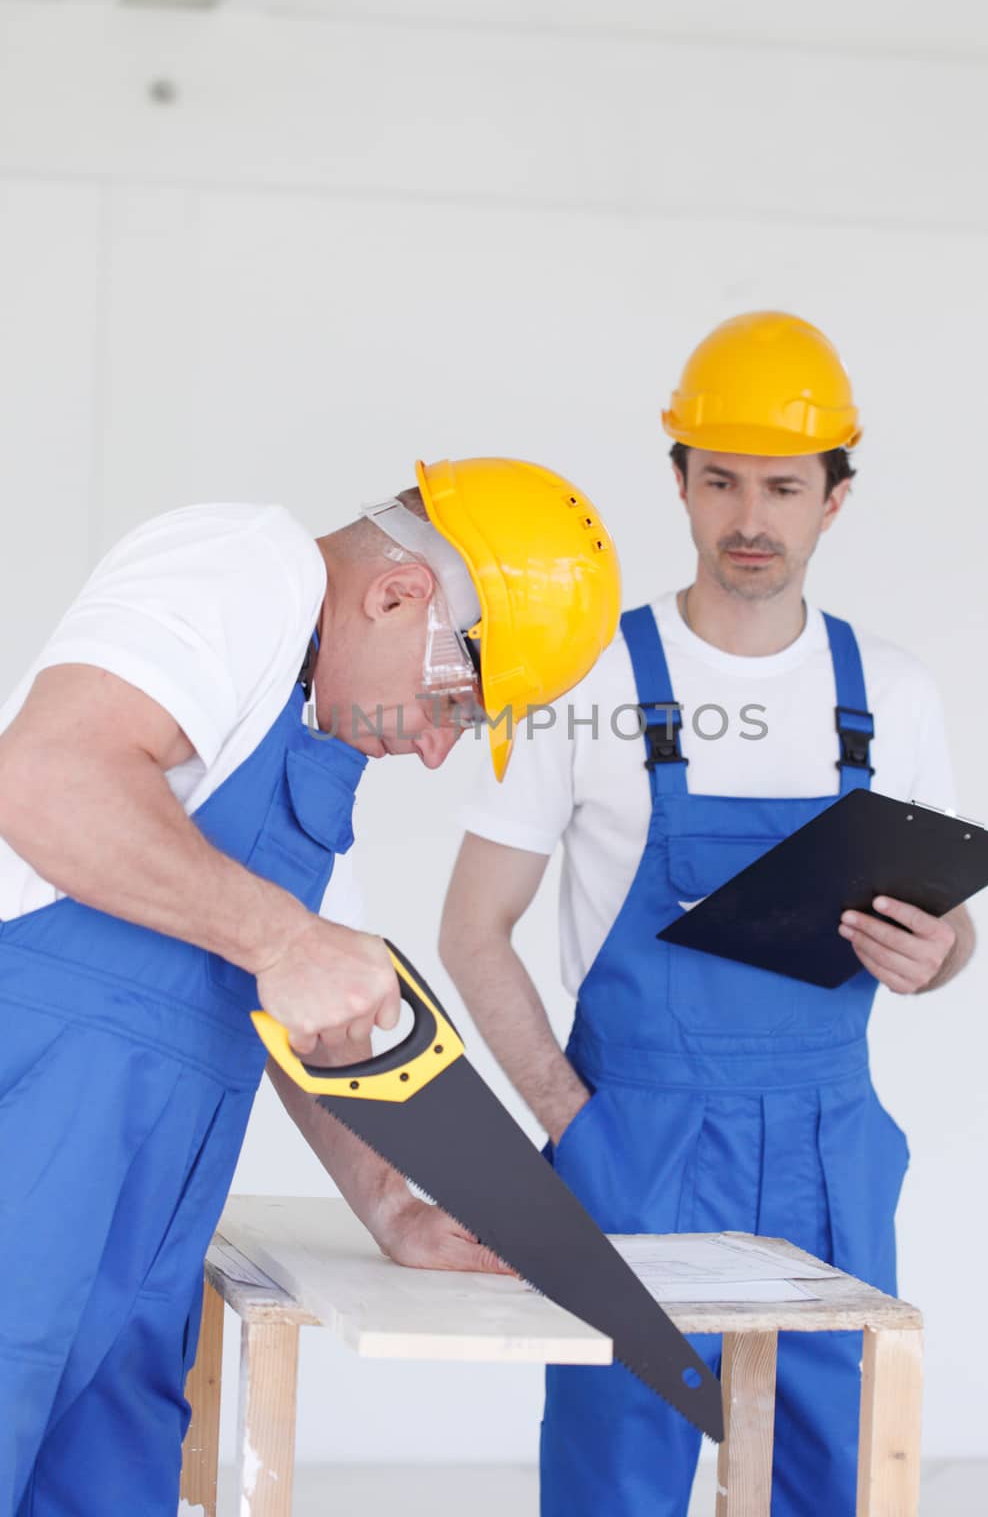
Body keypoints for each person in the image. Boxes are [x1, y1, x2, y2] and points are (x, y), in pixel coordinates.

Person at [0, 456, 621, 1516]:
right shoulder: (239, 567)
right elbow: (45, 775)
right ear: (397, 594)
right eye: (452, 705)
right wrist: (283, 938)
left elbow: (322, 1021)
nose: (433, 750)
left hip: (140, 1240)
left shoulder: (309, 771)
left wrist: (393, 1205)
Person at [440, 313, 977, 1517]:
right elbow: (473, 926)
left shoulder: (887, 694)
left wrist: (937, 954)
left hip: (827, 1141)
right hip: (634, 1136)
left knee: (825, 1472)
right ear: (676, 480)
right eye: (718, 480)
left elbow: (942, 926)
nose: (748, 517)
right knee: (613, 1477)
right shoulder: (593, 679)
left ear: (832, 499)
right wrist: (572, 1122)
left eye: (782, 486)